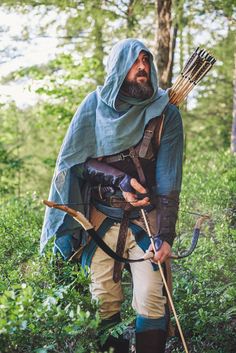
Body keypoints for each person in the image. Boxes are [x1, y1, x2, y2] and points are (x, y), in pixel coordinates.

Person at [41, 38, 183, 353]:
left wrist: (166, 235)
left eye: (146, 62)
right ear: (119, 67)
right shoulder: (92, 107)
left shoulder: (165, 112)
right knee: (103, 299)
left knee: (150, 298)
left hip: (146, 222)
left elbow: (170, 179)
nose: (143, 68)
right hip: (100, 219)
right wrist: (119, 180)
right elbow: (75, 164)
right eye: (135, 62)